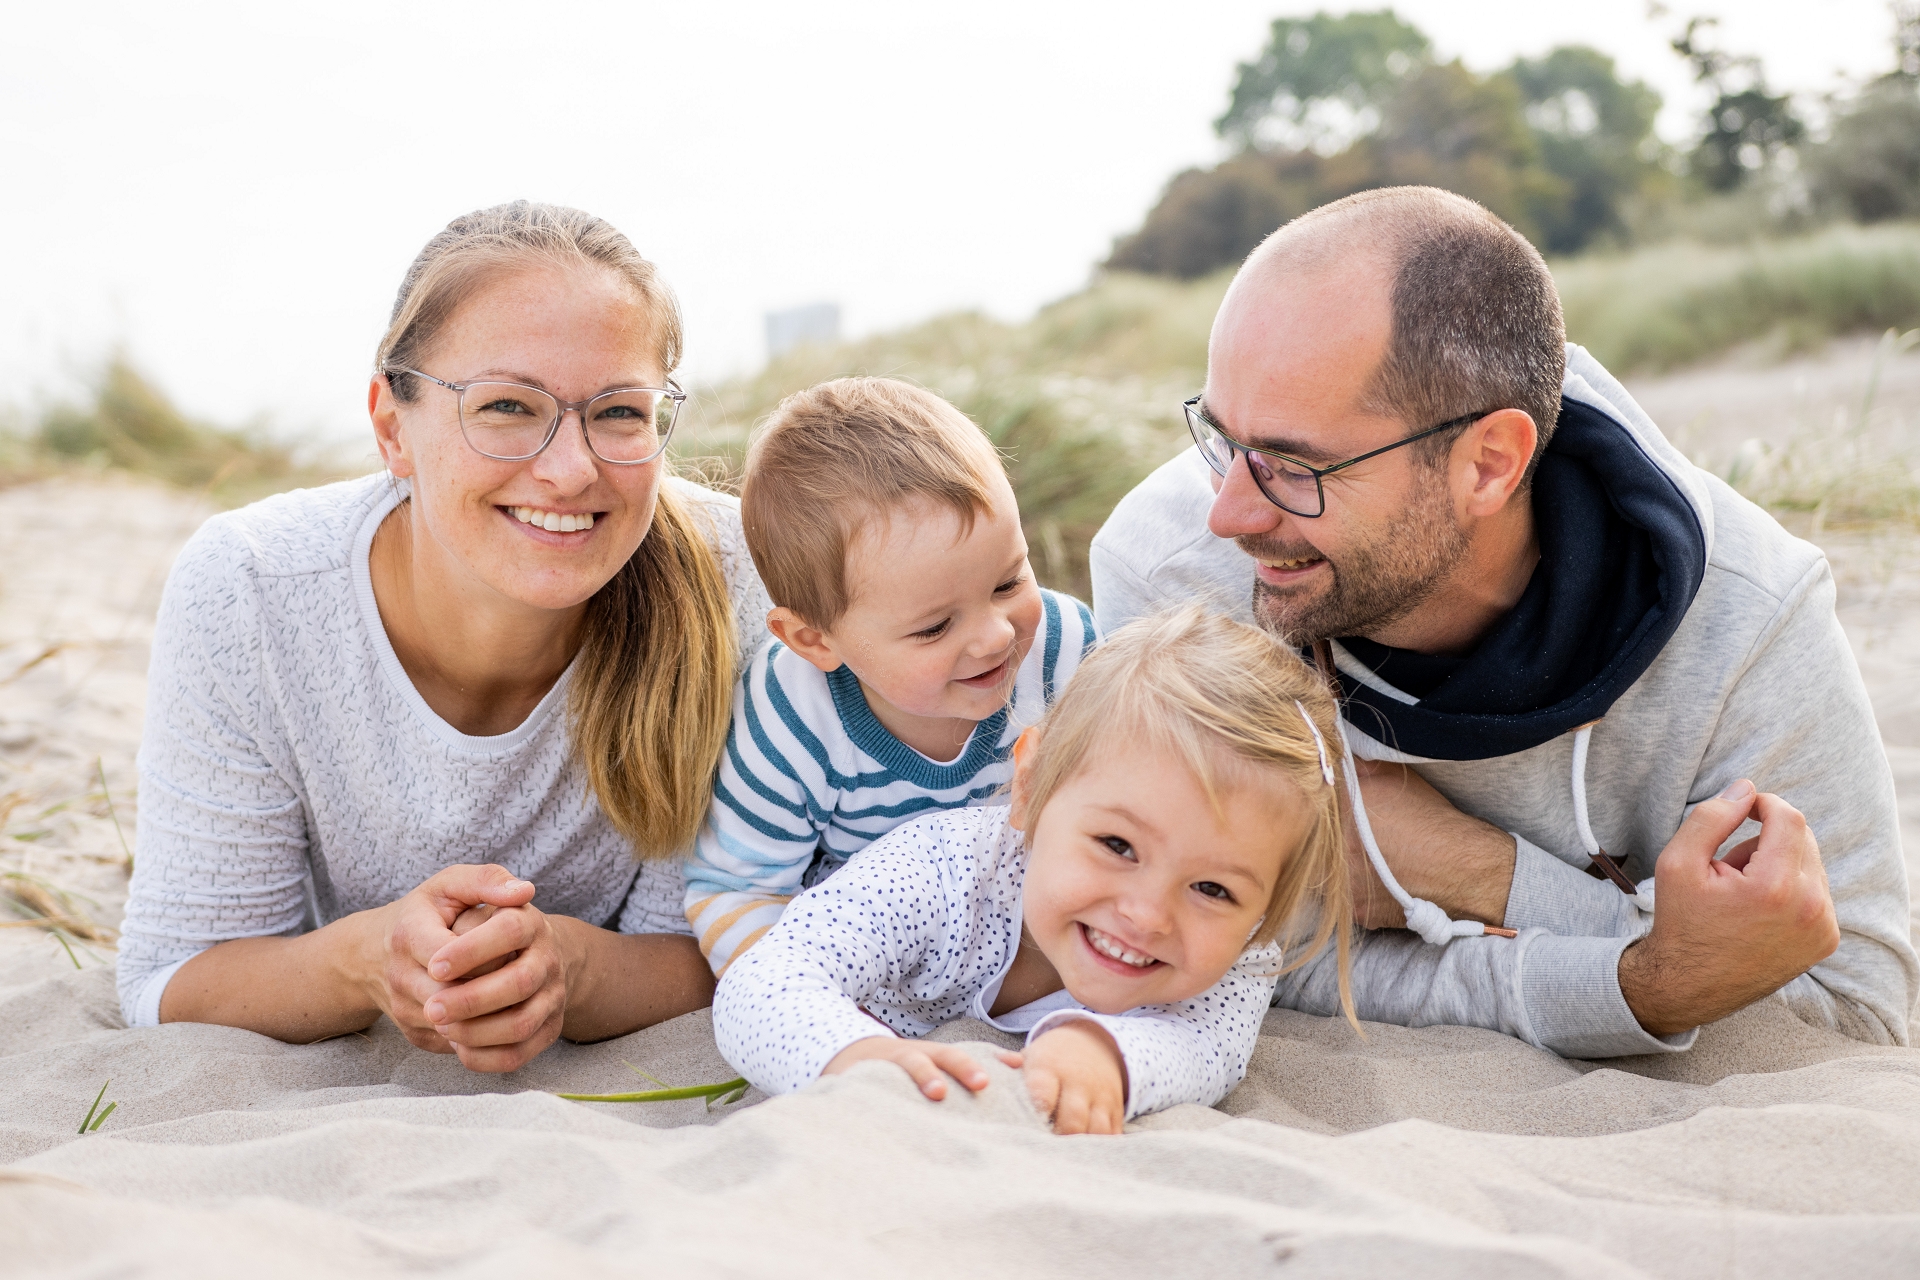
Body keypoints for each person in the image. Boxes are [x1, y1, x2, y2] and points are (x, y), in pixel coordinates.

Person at [1091, 186, 1915, 1058]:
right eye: (1222, 439)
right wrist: (1638, 976)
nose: (1227, 513)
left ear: (1489, 464)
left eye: (1295, 467)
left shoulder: (1751, 622)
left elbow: (1854, 1016)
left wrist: (1473, 871)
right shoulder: (1172, 575)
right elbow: (1231, 957)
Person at [117, 201, 771, 1072]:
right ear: (393, 426)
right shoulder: (252, 589)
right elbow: (170, 977)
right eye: (506, 405)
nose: (571, 469)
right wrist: (365, 960)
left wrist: (576, 973)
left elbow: (770, 944)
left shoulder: (738, 587)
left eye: (618, 413)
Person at [712, 608, 1354, 1133]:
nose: (1148, 914)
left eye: (1213, 888)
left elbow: (1211, 1049)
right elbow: (763, 981)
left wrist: (1102, 1055)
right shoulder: (940, 868)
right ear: (1029, 787)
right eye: (1118, 846)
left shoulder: (1242, 948)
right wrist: (857, 1059)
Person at [683, 377, 1097, 973]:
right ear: (814, 640)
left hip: (1039, 947)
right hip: (874, 965)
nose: (998, 636)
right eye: (933, 628)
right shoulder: (792, 715)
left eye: (1008, 582)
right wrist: (814, 998)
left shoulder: (1066, 651)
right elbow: (735, 892)